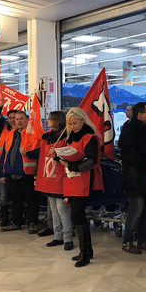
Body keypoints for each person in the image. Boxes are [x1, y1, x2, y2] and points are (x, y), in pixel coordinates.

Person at [58, 107, 103, 267]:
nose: (72, 126)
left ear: (83, 120)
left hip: (83, 180)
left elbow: (91, 160)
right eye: (70, 124)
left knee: (78, 215)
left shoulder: (90, 137)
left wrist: (72, 165)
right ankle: (86, 250)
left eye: (75, 123)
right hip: (71, 180)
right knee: (76, 216)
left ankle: (85, 253)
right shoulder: (70, 138)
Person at [118, 102, 146, 254]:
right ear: (140, 114)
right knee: (136, 211)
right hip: (135, 178)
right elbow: (130, 155)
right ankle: (127, 242)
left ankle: (142, 241)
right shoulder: (129, 131)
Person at [34, 111, 72, 250]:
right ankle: (58, 236)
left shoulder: (67, 137)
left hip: (61, 177)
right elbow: (41, 157)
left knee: (63, 209)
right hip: (48, 177)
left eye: (50, 119)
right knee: (54, 210)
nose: (48, 121)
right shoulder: (47, 137)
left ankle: (68, 237)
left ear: (57, 120)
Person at [0, 111, 39, 233]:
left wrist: (28, 153)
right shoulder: (10, 134)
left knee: (31, 200)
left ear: (27, 119)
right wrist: (2, 172)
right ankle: (16, 222)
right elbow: (5, 154)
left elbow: (40, 153)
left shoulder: (32, 134)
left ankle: (32, 223)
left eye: (21, 118)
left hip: (27, 173)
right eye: (16, 119)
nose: (19, 121)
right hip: (11, 173)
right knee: (16, 201)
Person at [0, 109, 17, 227]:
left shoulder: (24, 131)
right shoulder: (5, 130)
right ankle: (5, 216)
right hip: (3, 167)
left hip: (17, 169)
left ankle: (17, 218)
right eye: (9, 117)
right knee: (3, 194)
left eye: (14, 117)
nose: (11, 120)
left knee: (17, 195)